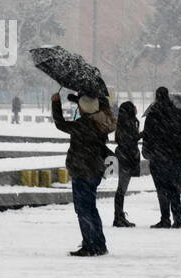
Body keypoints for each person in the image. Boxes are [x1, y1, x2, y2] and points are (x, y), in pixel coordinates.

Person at [52, 90, 117, 257]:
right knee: (91, 208)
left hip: (83, 171)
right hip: (94, 171)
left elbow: (60, 124)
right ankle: (99, 243)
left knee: (83, 210)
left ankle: (90, 245)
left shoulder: (83, 125)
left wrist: (55, 103)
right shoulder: (99, 123)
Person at [142, 86, 181, 229]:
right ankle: (178, 218)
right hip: (175, 157)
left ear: (157, 97)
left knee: (161, 189)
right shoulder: (179, 114)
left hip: (158, 157)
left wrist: (147, 152)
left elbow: (147, 137)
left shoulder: (153, 115)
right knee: (175, 188)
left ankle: (165, 218)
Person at [112, 100, 140, 227]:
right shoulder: (129, 123)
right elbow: (130, 140)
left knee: (121, 189)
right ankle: (118, 216)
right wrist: (141, 135)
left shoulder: (122, 123)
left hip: (123, 156)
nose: (135, 109)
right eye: (133, 107)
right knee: (121, 189)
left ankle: (119, 215)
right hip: (127, 158)